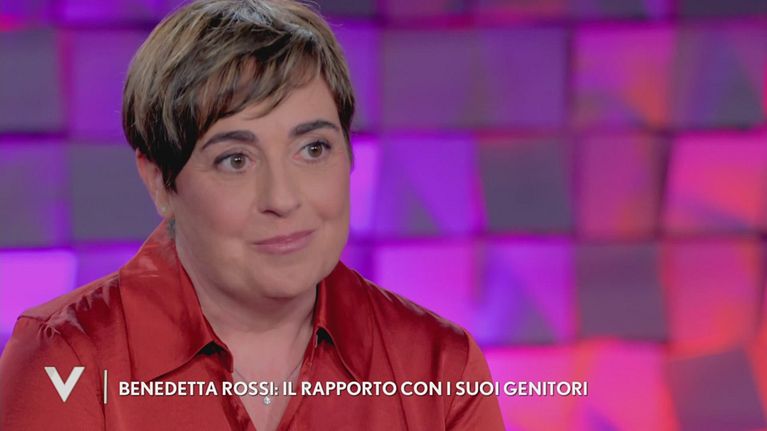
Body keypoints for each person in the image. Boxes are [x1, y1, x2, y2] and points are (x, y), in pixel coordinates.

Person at [0, 0, 504, 429]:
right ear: (159, 181)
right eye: (235, 160)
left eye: (313, 148)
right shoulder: (65, 358)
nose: (282, 198)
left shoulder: (441, 367)